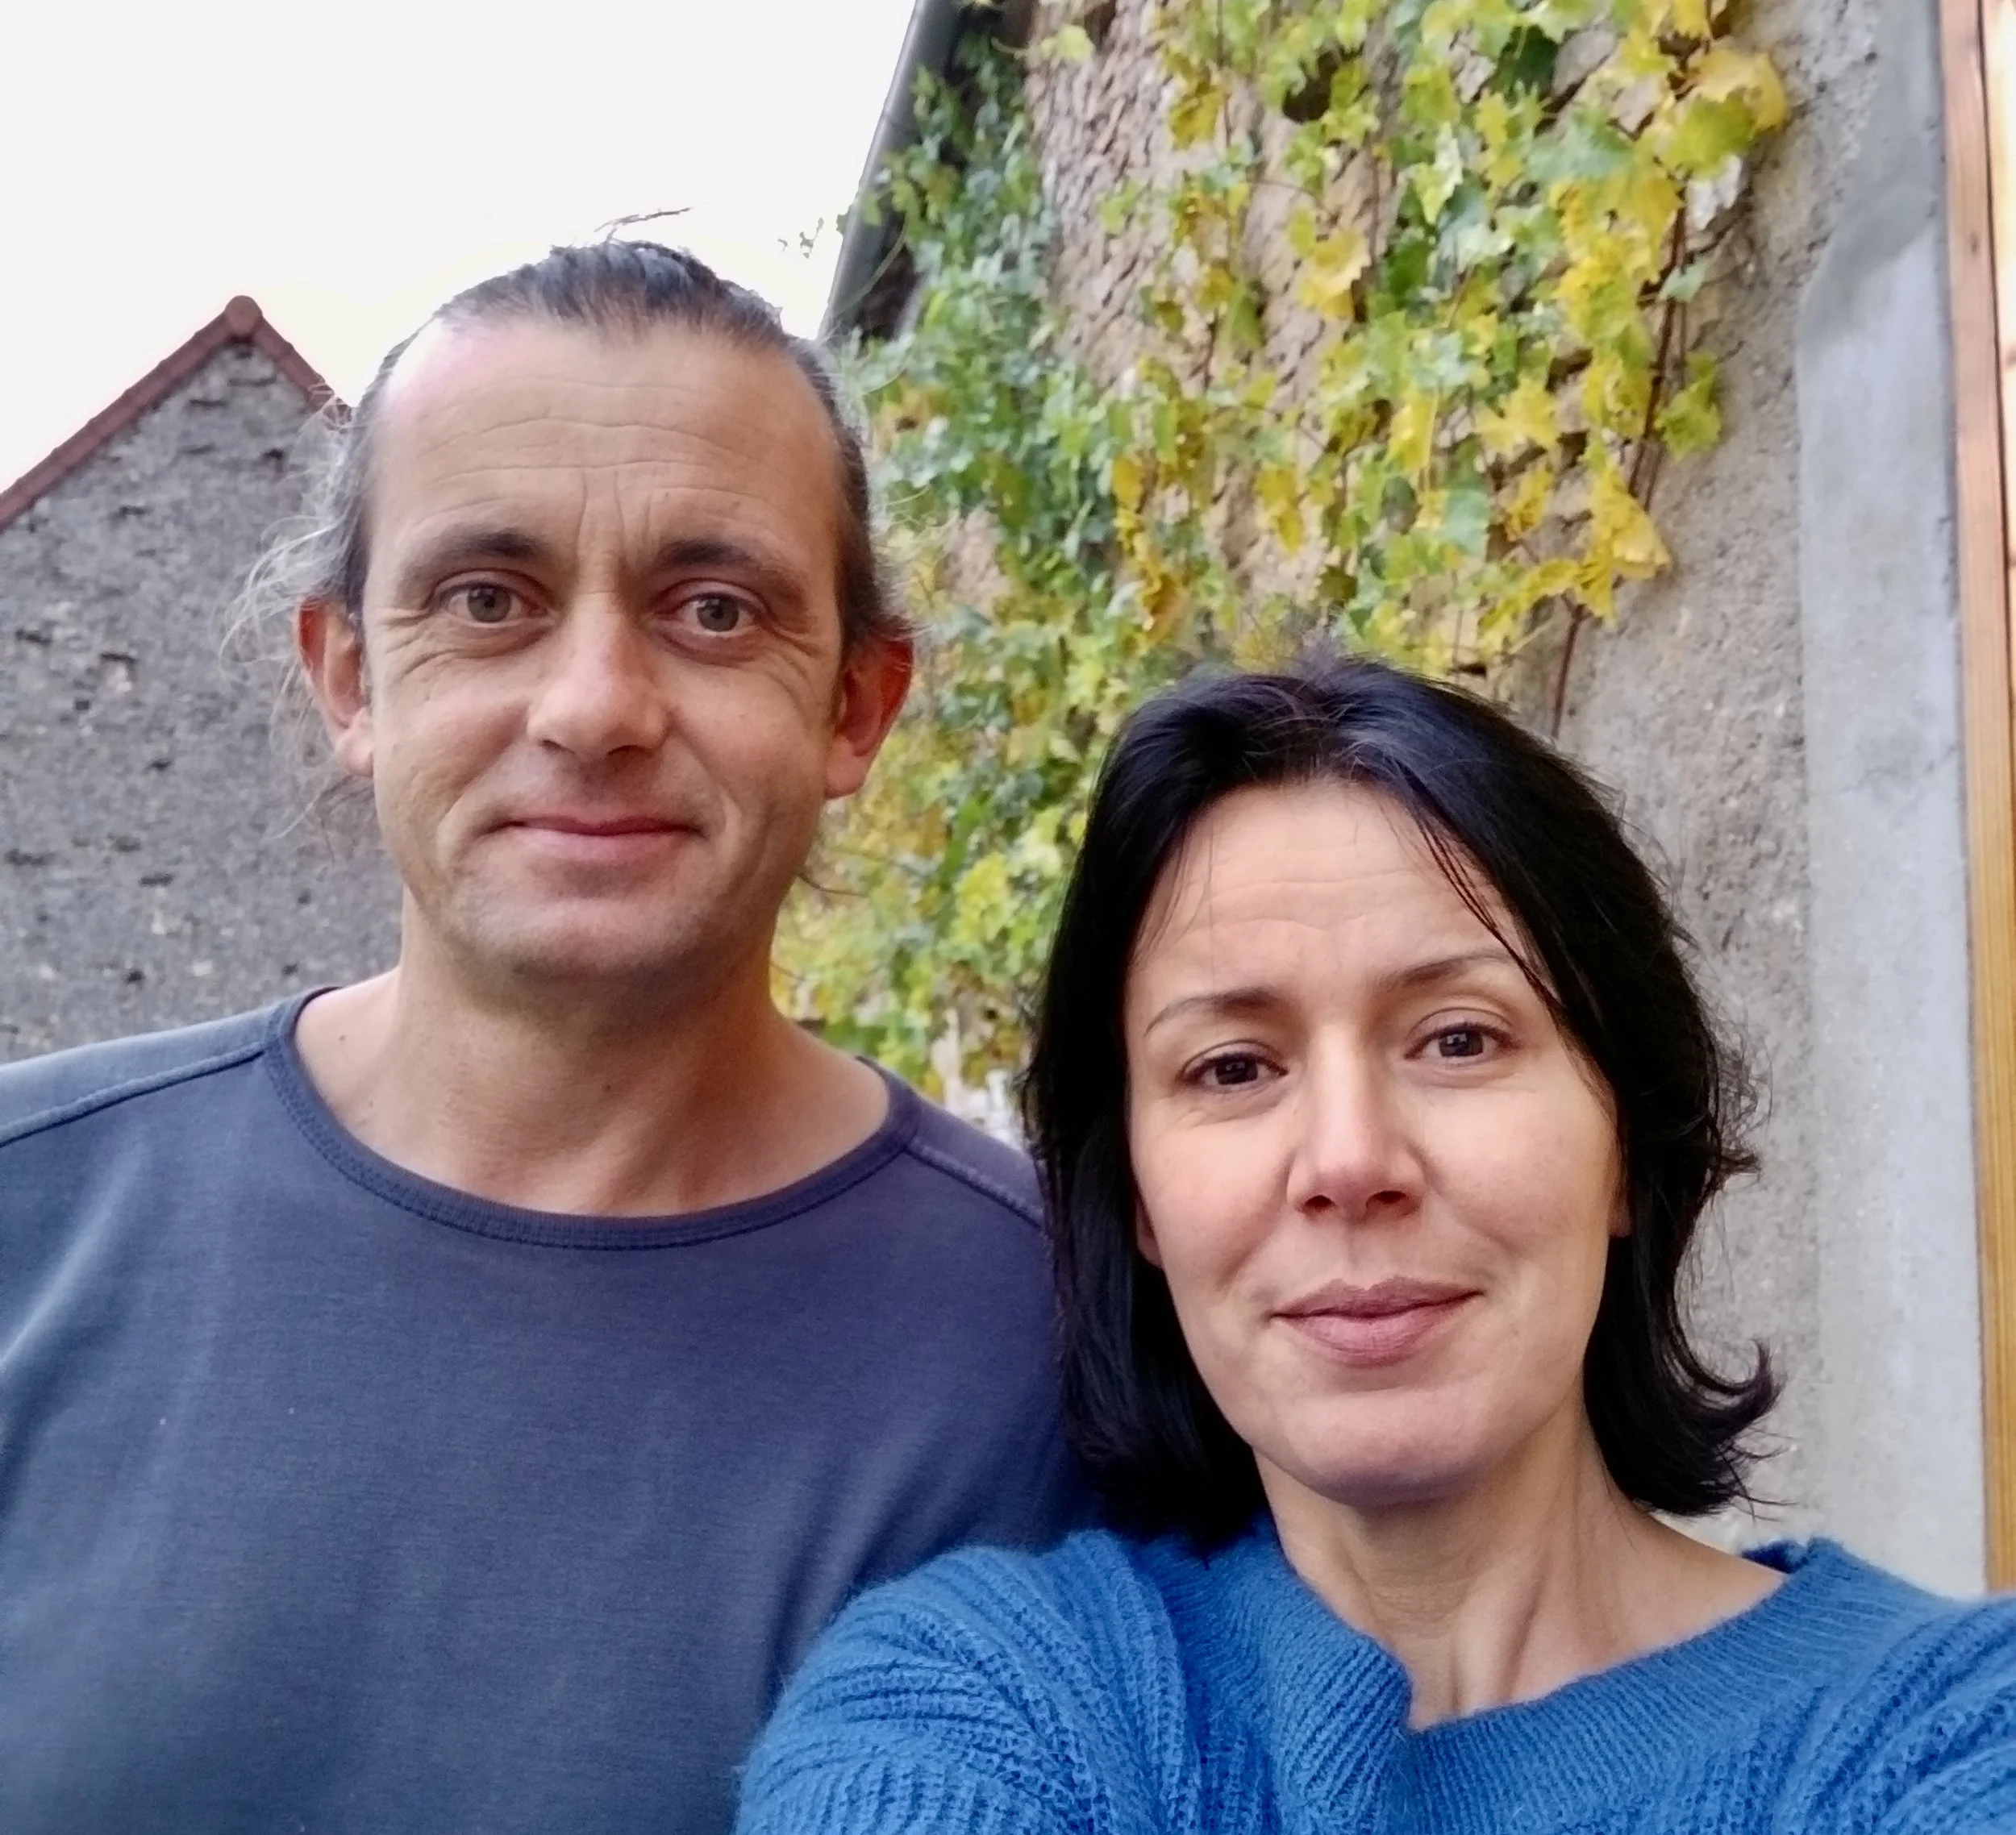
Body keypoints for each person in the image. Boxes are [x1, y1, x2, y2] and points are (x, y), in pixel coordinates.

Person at [0, 242, 1083, 1835]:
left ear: (856, 705)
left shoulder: (1061, 1358)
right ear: (349, 676)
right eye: (487, 601)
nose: (591, 706)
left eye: (712, 609)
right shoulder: (35, 1226)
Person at [738, 660, 2016, 1834]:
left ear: (1625, 1139)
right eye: (1232, 1067)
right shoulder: (977, 1703)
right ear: (1134, 1193)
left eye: (1459, 1039)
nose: (1350, 1161)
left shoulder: (1954, 1735)